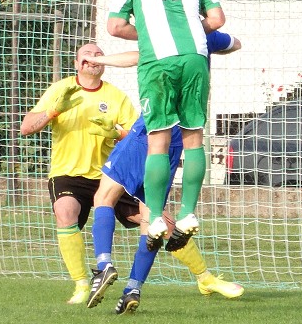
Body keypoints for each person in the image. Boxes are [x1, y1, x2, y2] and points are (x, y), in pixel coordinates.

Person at [85, 31, 243, 313]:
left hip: (151, 132)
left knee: (104, 197)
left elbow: (137, 55)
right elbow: (235, 43)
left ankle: (103, 264)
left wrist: (101, 58)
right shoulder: (204, 35)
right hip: (180, 140)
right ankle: (133, 287)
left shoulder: (164, 28)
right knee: (152, 220)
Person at [106, 0, 226, 254]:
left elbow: (115, 26)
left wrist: (146, 32)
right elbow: (217, 19)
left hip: (156, 62)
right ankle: (187, 214)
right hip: (193, 57)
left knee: (157, 139)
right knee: (194, 137)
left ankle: (157, 217)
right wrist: (188, 27)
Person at [20, 43, 139, 305]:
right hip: (68, 174)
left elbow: (139, 139)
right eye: (87, 56)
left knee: (158, 220)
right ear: (77, 64)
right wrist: (53, 111)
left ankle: (204, 277)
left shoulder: (117, 96)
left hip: (109, 174)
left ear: (105, 62)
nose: (93, 59)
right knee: (65, 212)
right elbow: (26, 127)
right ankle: (82, 285)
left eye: (99, 54)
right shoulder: (61, 89)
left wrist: (116, 133)